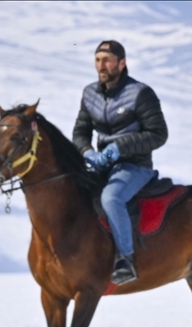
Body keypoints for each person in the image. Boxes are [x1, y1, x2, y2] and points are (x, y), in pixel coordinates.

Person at [72, 40, 168, 285]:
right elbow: (80, 133)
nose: (101, 65)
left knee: (111, 199)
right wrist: (86, 152)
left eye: (107, 60)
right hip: (101, 166)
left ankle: (125, 259)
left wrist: (121, 147)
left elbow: (158, 134)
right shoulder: (89, 93)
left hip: (135, 167)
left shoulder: (141, 93)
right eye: (97, 60)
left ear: (122, 63)